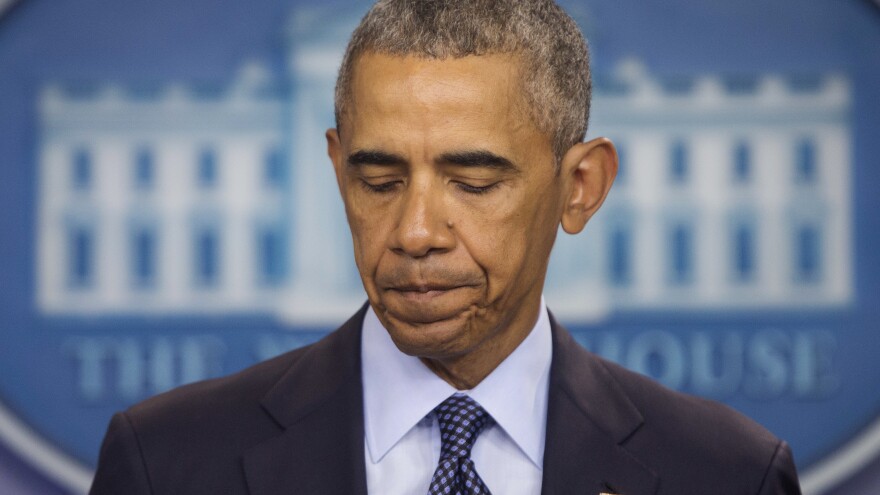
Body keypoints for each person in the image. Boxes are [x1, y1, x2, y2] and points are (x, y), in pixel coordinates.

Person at [90, 1, 802, 494]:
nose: (415, 232)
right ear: (338, 172)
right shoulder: (167, 463)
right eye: (379, 180)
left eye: (471, 182)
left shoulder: (726, 474)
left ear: (580, 186)